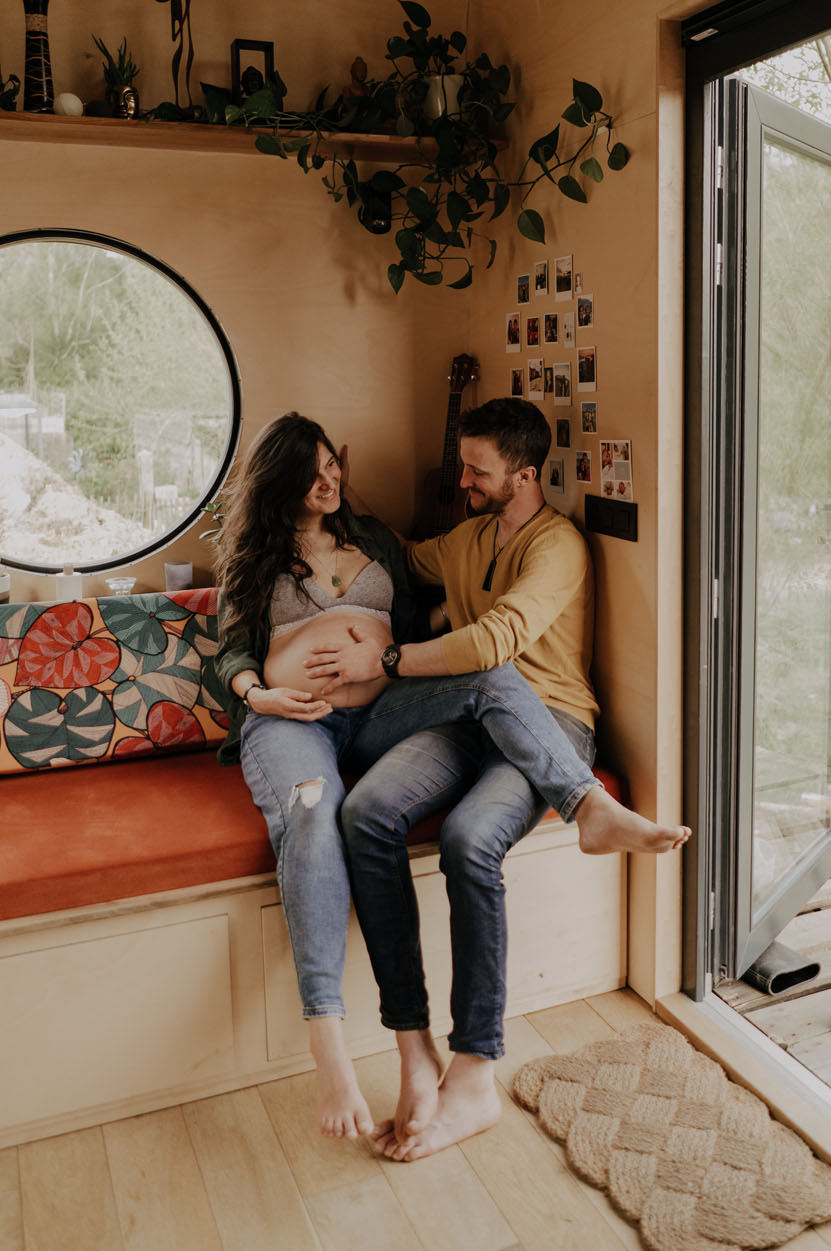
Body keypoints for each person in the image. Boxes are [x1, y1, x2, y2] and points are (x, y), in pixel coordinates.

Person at [212, 412, 685, 1142]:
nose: (460, 480)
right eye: (315, 472)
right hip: (338, 718)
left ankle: (475, 1067)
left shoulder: (553, 544)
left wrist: (386, 658)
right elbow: (235, 644)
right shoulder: (454, 539)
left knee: (468, 832)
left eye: (476, 470)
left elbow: (482, 639)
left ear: (523, 475)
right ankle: (408, 1043)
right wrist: (259, 689)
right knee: (358, 812)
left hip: (535, 718)